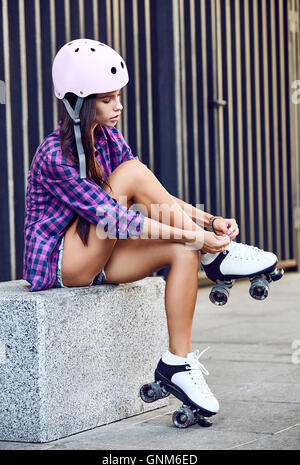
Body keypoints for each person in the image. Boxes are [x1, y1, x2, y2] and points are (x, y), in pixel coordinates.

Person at [23, 38, 242, 418]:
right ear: (77, 102)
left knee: (182, 250)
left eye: (118, 96)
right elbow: (114, 218)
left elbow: (157, 197)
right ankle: (215, 252)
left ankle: (179, 362)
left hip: (98, 250)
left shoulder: (108, 138)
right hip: (63, 264)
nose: (118, 106)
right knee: (139, 180)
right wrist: (197, 233)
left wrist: (209, 222)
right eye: (107, 99)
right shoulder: (54, 154)